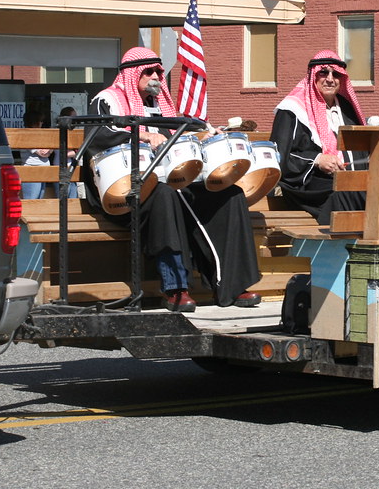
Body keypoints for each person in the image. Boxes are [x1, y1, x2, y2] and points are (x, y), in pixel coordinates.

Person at [83, 47, 261, 312]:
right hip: (125, 192)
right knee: (166, 195)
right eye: (149, 71)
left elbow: (182, 142)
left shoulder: (162, 107)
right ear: (132, 74)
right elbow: (99, 137)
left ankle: (234, 285)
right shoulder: (108, 100)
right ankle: (176, 287)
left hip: (170, 184)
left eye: (159, 71)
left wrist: (206, 136)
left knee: (229, 195)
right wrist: (141, 135)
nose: (156, 76)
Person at [270, 50, 371, 222]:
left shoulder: (346, 108)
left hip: (347, 181)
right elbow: (278, 155)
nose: (330, 79)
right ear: (313, 75)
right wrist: (317, 159)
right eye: (323, 72)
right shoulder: (292, 110)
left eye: (336, 74)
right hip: (307, 184)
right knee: (344, 192)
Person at [21, 110, 52, 200]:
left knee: (40, 198)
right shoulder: (27, 135)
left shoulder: (40, 134)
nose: (42, 123)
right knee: (32, 199)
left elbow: (50, 148)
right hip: (32, 171)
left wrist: (49, 150)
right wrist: (49, 150)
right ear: (34, 122)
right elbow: (43, 153)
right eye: (40, 121)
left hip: (43, 170)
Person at [54, 106, 79, 198]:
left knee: (73, 196)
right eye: (73, 117)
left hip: (72, 168)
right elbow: (63, 153)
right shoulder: (58, 132)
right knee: (63, 196)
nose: (76, 119)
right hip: (61, 168)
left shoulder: (73, 133)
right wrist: (77, 152)